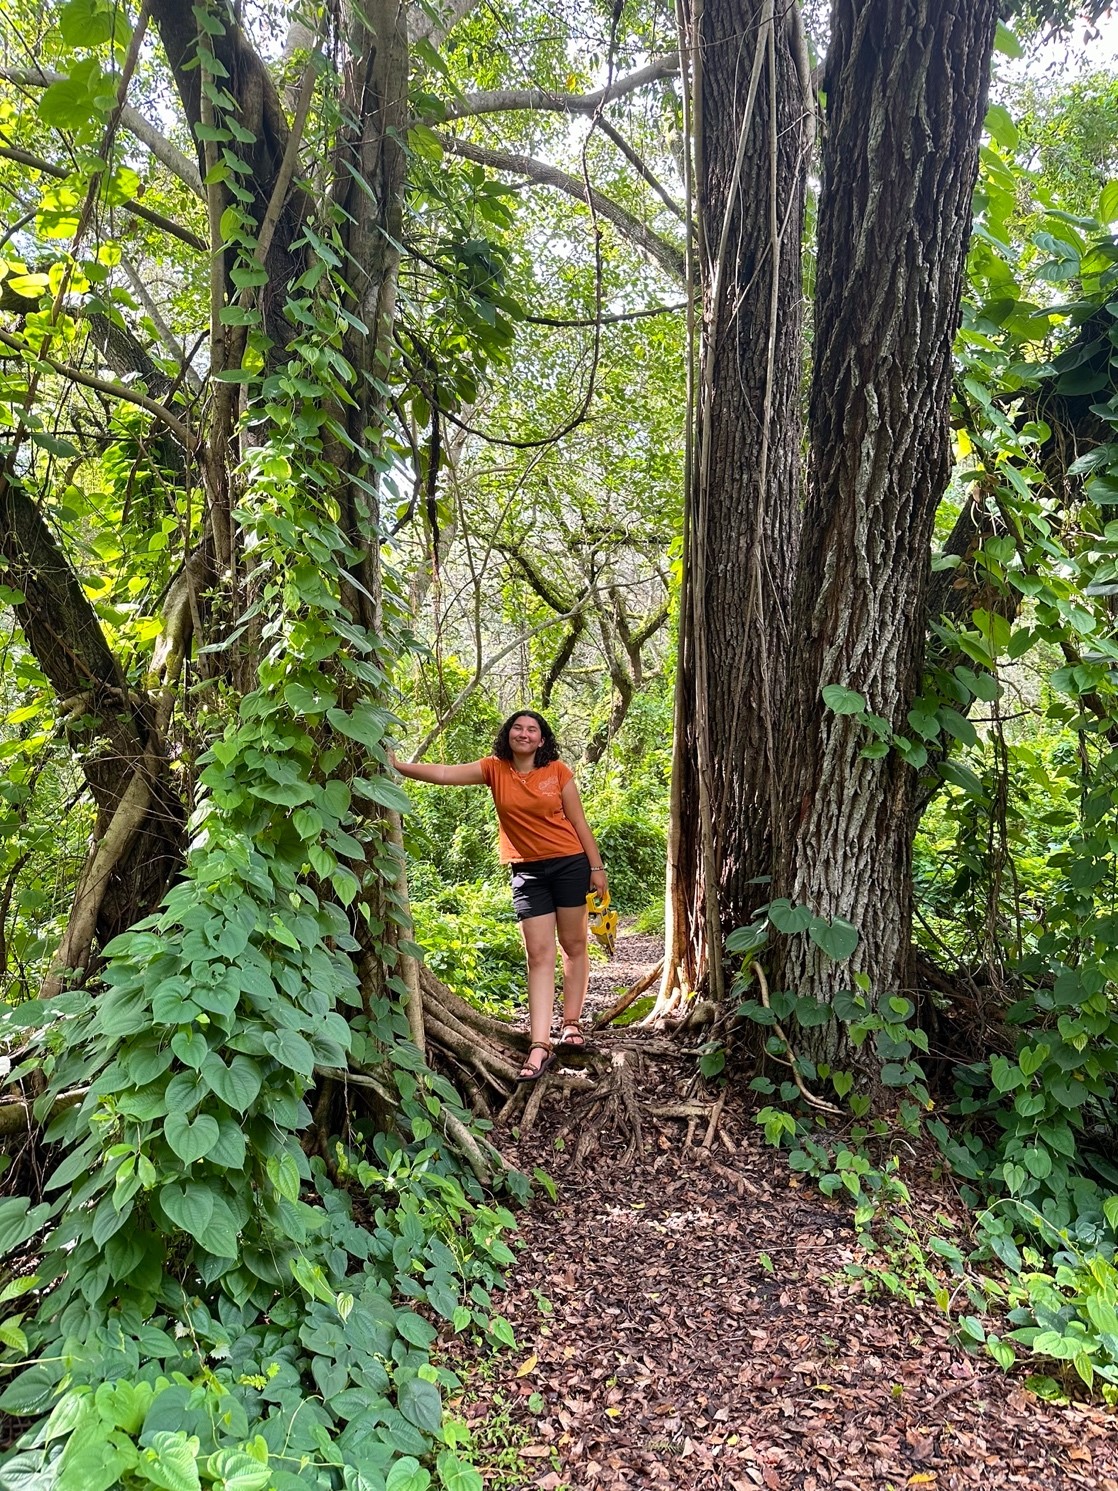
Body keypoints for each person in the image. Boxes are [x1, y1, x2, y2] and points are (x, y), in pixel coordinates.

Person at [390, 711, 608, 1081]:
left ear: (542, 739)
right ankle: (540, 1045)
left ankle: (571, 1024)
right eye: (517, 728)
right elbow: (445, 774)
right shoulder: (494, 769)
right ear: (508, 735)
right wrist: (398, 766)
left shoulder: (557, 771)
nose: (523, 734)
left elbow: (579, 822)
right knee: (538, 955)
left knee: (573, 944)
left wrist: (597, 869)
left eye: (532, 729)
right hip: (527, 872)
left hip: (570, 865)